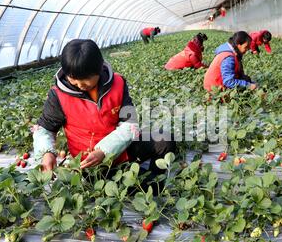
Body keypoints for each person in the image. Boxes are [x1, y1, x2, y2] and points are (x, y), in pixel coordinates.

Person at [33, 39, 175, 181]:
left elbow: (129, 124)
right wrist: (47, 153)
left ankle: (156, 180)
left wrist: (104, 151)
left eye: (86, 79)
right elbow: (45, 128)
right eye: (73, 78)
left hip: (120, 148)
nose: (79, 84)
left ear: (99, 68)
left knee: (165, 139)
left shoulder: (118, 84)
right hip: (90, 162)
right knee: (140, 185)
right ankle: (139, 180)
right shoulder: (58, 95)